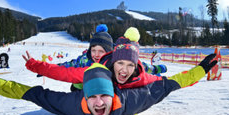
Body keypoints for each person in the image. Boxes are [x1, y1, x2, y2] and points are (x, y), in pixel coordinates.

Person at [0, 53, 217, 115]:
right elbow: (35, 94)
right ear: (85, 98)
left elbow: (170, 84)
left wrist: (201, 70)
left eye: (104, 96)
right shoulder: (73, 104)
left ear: (114, 95)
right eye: (93, 97)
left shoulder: (132, 101)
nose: (99, 103)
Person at [23, 27, 164, 90]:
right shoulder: (84, 60)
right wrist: (40, 68)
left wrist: (156, 68)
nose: (96, 54)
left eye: (101, 51)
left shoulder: (115, 61)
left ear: (109, 52)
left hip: (106, 92)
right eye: (93, 50)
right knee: (77, 84)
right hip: (87, 91)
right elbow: (64, 68)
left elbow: (141, 67)